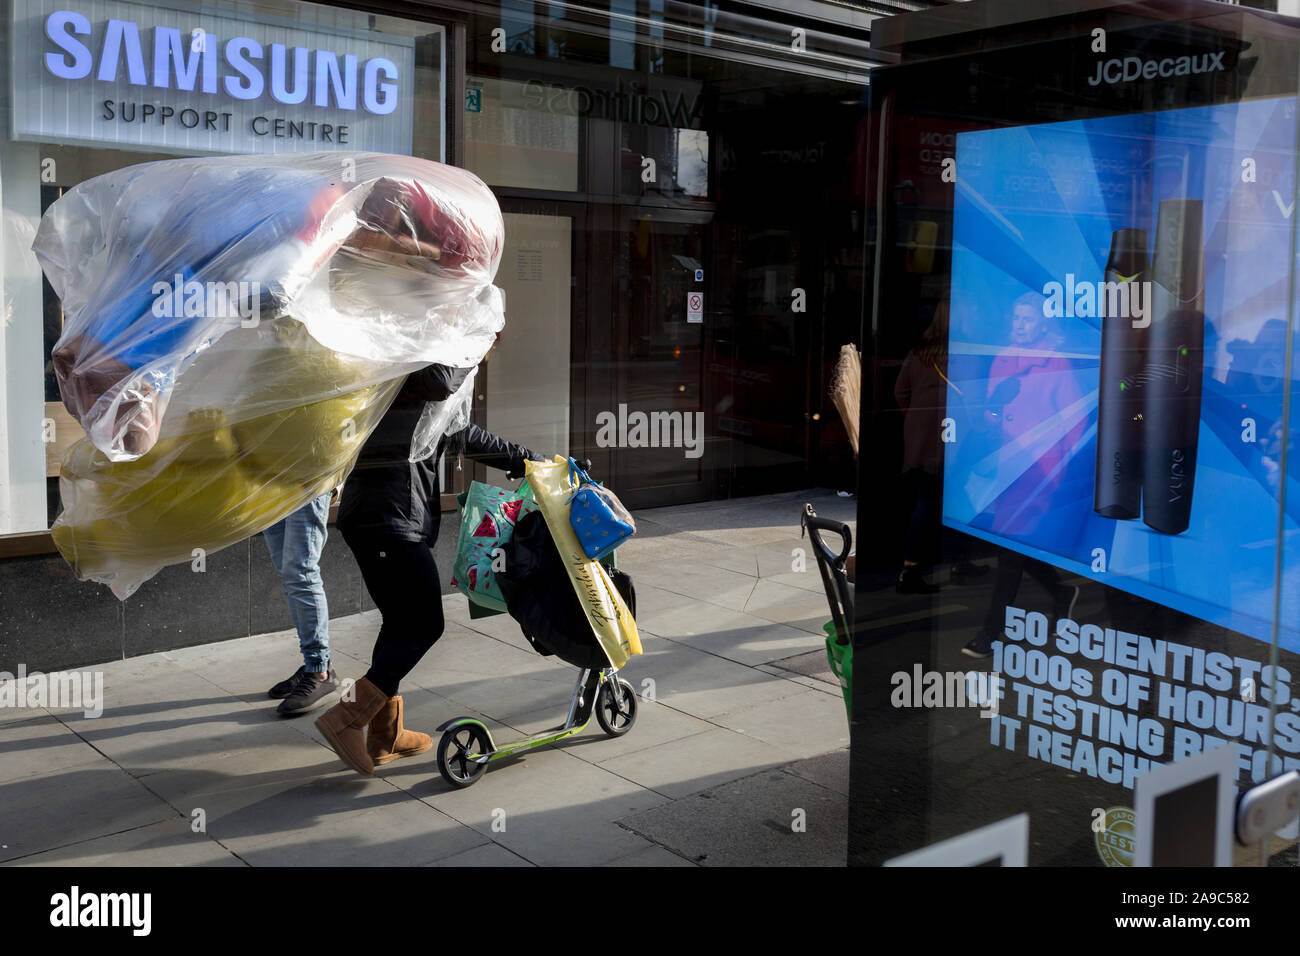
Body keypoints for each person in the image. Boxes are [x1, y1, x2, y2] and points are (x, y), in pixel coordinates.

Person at [315, 361, 546, 775]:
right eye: (488, 341)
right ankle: (347, 717)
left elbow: (460, 433)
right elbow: (442, 389)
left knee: (400, 621)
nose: (486, 354)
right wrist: (465, 345)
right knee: (425, 624)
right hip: (392, 518)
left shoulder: (403, 373)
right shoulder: (431, 369)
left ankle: (387, 734)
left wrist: (526, 460)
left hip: (370, 515)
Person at [964, 291, 1082, 657]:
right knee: (1013, 543)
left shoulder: (1057, 363)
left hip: (1041, 469)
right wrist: (995, 407)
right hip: (1009, 465)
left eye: (1027, 319)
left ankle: (990, 633)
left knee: (1009, 547)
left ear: (1043, 323)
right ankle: (1061, 591)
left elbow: (1074, 421)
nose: (1019, 325)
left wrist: (1059, 466)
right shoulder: (1002, 358)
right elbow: (991, 417)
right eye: (1016, 318)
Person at [263, 491, 338, 715]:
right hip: (272, 482)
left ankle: (320, 672)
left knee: (301, 573)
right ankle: (313, 664)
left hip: (309, 481)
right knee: (290, 576)